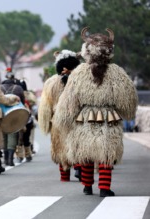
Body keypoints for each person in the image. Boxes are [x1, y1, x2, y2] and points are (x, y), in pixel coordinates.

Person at [54, 27, 138, 197]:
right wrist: (126, 112)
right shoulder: (117, 73)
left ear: (87, 50)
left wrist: (63, 120)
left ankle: (87, 186)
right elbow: (128, 100)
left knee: (86, 153)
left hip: (83, 119)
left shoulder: (78, 73)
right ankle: (104, 188)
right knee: (106, 154)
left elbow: (69, 100)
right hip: (109, 119)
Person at [38, 49, 81, 182]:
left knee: (61, 146)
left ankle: (65, 174)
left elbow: (45, 106)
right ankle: (79, 168)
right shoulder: (81, 80)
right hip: (78, 118)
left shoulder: (51, 83)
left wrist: (46, 124)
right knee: (79, 145)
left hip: (57, 120)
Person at [0, 67, 26, 165]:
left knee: (3, 136)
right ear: (13, 78)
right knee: (13, 135)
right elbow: (22, 102)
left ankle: (5, 159)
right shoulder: (18, 88)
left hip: (3, 115)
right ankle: (10, 160)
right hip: (15, 114)